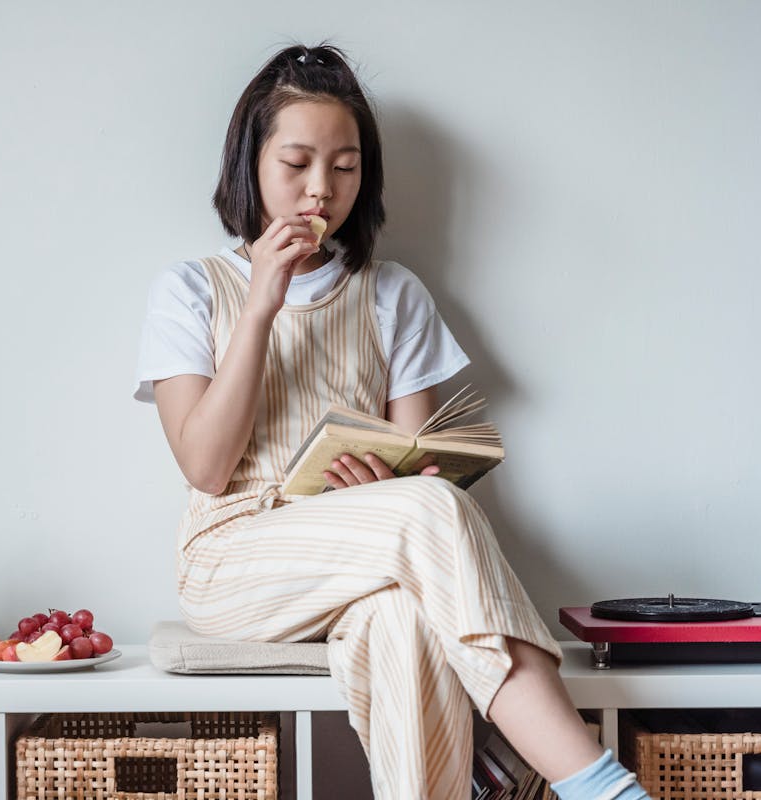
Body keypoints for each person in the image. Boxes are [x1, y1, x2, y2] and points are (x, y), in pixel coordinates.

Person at [135, 42, 651, 800]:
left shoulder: (392, 294)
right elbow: (206, 467)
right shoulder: (190, 289)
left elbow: (421, 471)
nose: (321, 189)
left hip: (370, 561)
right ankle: (595, 785)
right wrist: (260, 306)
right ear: (251, 163)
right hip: (232, 562)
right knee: (429, 512)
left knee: (406, 619)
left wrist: (382, 485)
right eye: (297, 164)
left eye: (344, 168)